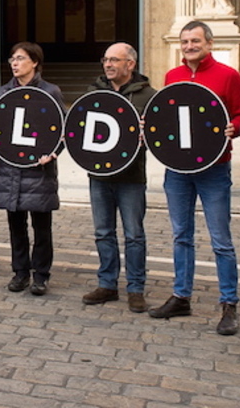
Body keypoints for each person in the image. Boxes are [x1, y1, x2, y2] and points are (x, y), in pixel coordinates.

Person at [148, 20, 240, 335]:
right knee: (181, 235)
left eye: (196, 41)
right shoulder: (172, 76)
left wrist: (237, 127)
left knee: (221, 240)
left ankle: (228, 304)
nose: (190, 46)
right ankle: (181, 296)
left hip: (214, 169)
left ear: (209, 43)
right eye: (185, 41)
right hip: (177, 168)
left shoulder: (228, 75)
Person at [0, 42, 63, 296]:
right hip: (10, 169)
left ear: (35, 62)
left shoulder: (51, 91)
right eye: (12, 58)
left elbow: (63, 129)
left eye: (20, 58)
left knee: (41, 226)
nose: (14, 63)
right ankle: (20, 272)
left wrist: (54, 153)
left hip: (39, 170)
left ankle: (41, 275)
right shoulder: (4, 91)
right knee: (16, 225)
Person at [81, 43, 156, 312]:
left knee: (134, 234)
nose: (109, 64)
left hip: (131, 177)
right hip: (99, 175)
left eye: (115, 60)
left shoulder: (148, 96)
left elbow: (157, 138)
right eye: (106, 60)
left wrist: (148, 134)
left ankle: (136, 288)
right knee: (103, 232)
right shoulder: (93, 92)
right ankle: (107, 284)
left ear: (130, 64)